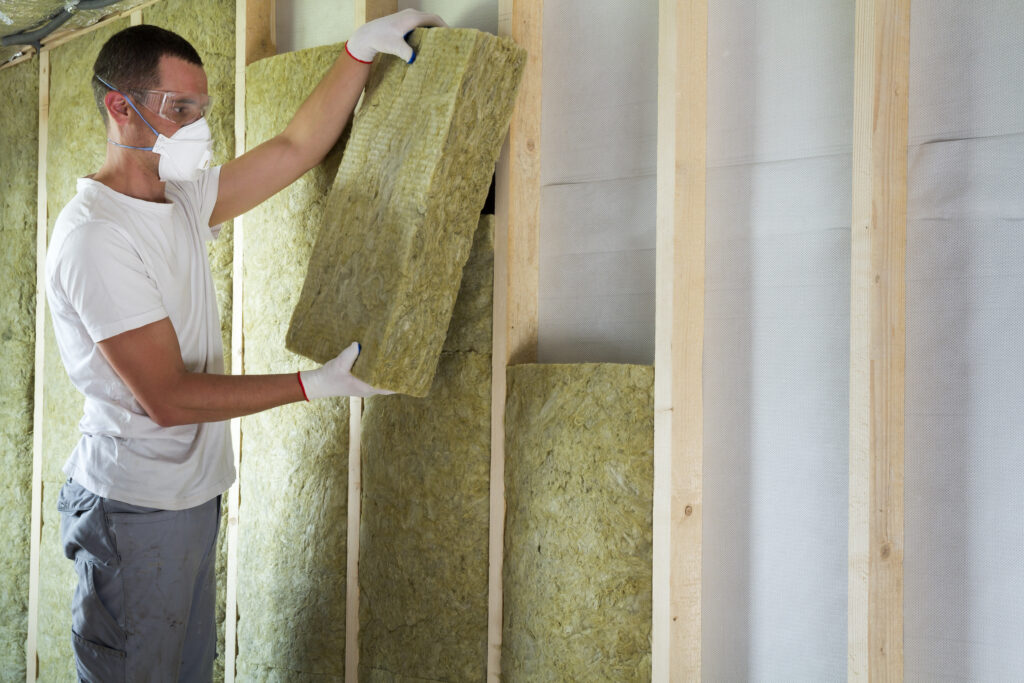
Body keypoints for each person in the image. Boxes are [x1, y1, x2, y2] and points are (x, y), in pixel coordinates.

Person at [45, 9, 444, 681]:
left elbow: (294, 147)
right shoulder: (97, 236)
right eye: (179, 108)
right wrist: (310, 385)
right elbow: (168, 397)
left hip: (187, 495)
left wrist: (357, 52)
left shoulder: (179, 199)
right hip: (137, 506)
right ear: (121, 107)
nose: (197, 126)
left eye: (201, 108)